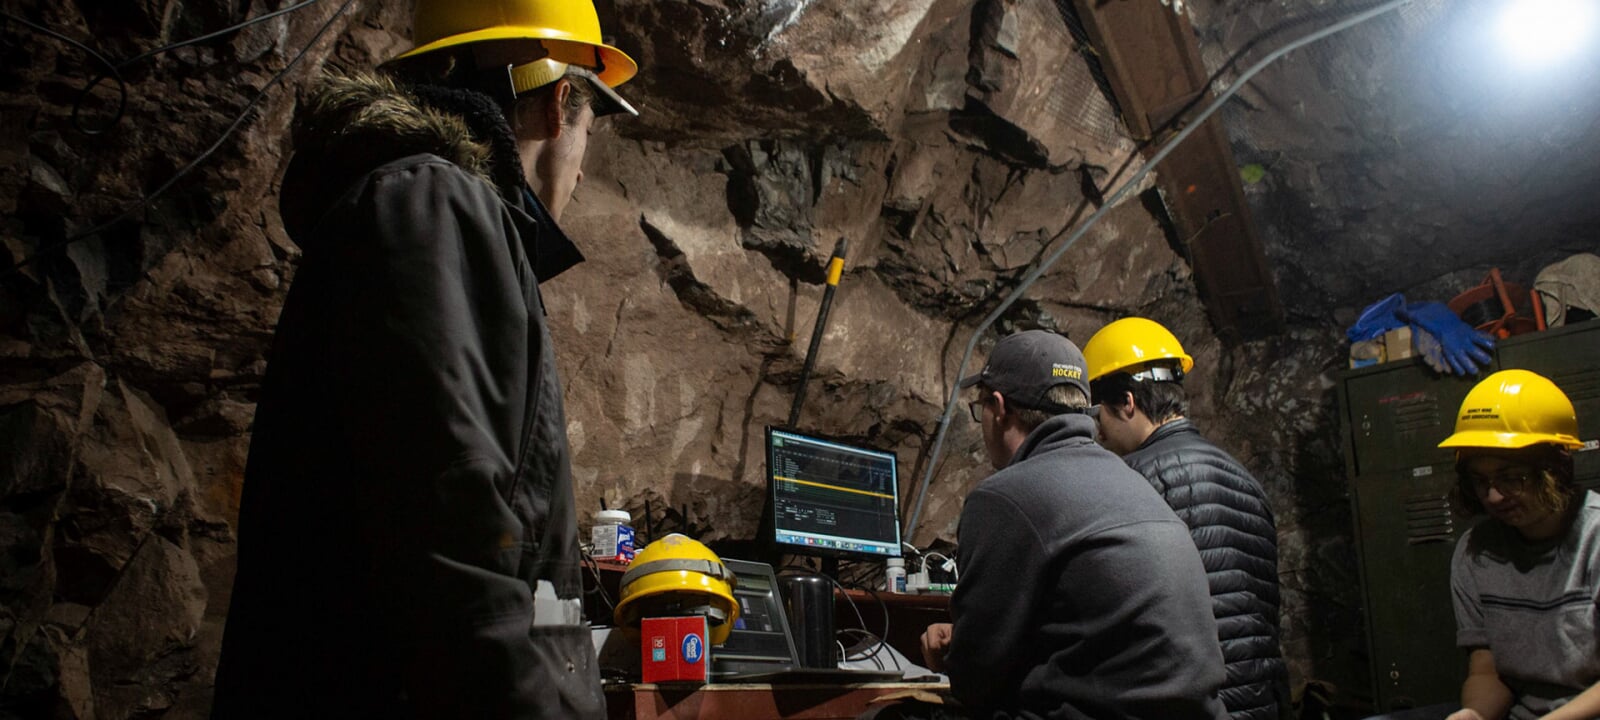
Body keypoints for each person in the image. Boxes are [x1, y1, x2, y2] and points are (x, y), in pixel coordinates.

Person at [210, 1, 639, 717]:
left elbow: (530, 560)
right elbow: (461, 539)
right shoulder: (432, 205)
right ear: (561, 102)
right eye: (593, 132)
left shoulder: (446, 217)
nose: (585, 173)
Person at [919, 329, 1228, 720]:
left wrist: (956, 650)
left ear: (998, 408)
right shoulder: (1134, 482)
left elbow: (976, 678)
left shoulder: (1004, 496)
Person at [1082, 317, 1287, 720]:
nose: (1099, 433)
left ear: (1127, 402)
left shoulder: (1135, 480)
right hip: (1261, 702)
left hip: (1198, 706)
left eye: (1098, 414)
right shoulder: (1242, 477)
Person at [1439, 369, 1598, 720]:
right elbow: (1486, 669)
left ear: (1557, 469)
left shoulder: (1596, 537)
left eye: (1513, 478)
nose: (1494, 496)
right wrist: (1475, 714)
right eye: (1480, 481)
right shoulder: (1475, 552)